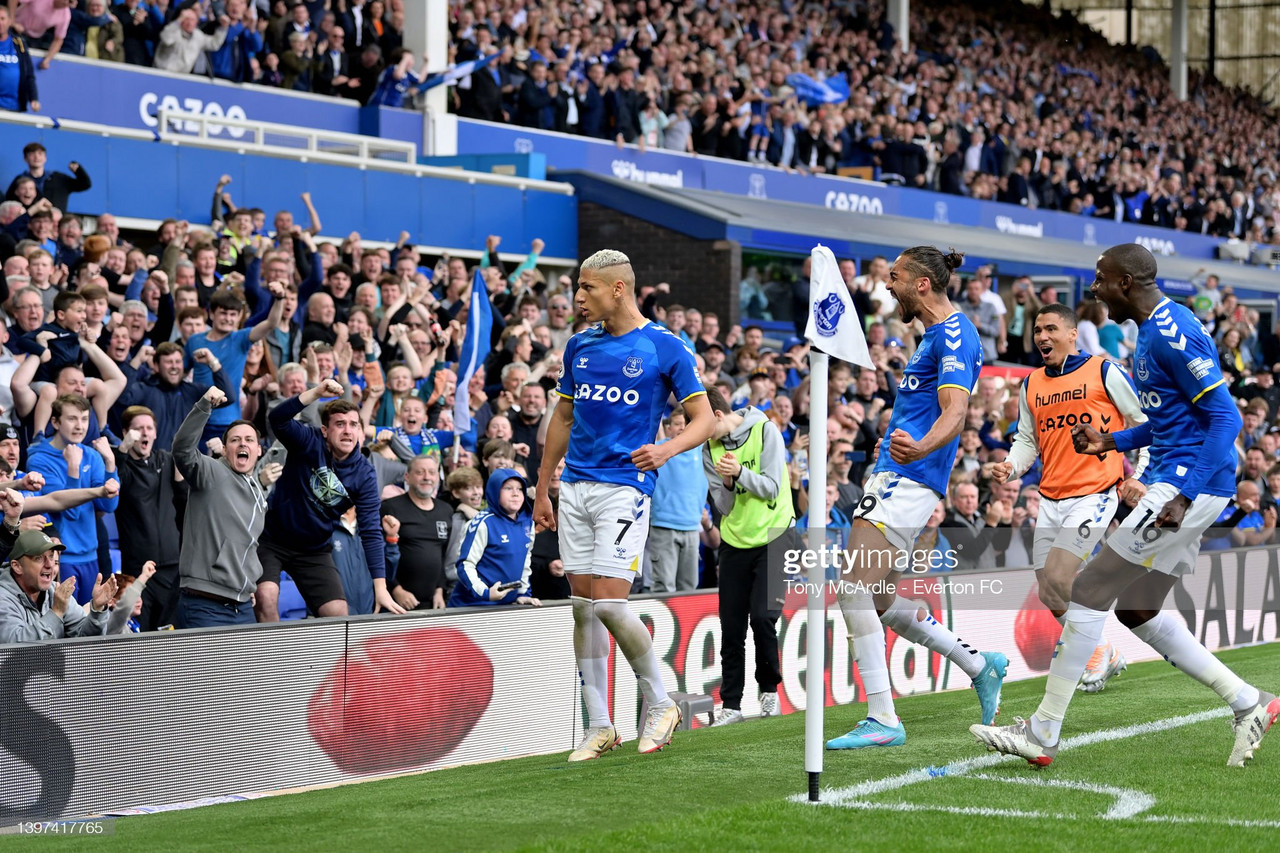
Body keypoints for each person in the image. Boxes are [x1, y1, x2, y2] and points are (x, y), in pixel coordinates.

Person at [971, 243, 1277, 769]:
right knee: (1138, 608)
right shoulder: (1152, 332)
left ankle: (1042, 734)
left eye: (1100, 279)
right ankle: (1249, 702)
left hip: (1185, 484)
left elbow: (1227, 420)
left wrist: (1182, 495)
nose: (1094, 289)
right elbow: (1171, 421)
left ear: (1126, 283)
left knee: (1088, 588)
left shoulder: (1170, 333)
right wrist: (1112, 443)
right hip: (1185, 479)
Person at [533, 249, 715, 761]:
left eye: (586, 288)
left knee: (611, 604)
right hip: (576, 487)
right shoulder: (577, 346)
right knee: (584, 609)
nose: (577, 297)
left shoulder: (664, 345)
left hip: (625, 487)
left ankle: (660, 702)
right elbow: (562, 420)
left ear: (618, 289)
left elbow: (701, 417)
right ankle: (600, 724)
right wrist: (544, 485)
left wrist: (666, 448)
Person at [827, 246, 1008, 751]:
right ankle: (979, 664)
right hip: (897, 476)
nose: (888, 285)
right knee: (881, 600)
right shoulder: (935, 334)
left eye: (896, 277)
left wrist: (920, 447)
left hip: (905, 478)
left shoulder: (954, 333)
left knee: (851, 588)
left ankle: (883, 717)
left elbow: (956, 411)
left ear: (922, 284)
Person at [991, 303, 1150, 692]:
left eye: (1050, 329)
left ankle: (1092, 655)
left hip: (1095, 491)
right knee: (1048, 589)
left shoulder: (1103, 370)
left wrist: (1142, 476)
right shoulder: (1031, 383)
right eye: (1037, 331)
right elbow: (1027, 440)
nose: (1042, 337)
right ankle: (1103, 649)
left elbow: (1144, 423)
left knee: (1061, 575)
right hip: (1051, 496)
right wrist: (1011, 467)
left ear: (1072, 333)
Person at [256, 378, 405, 620]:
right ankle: (275, 657)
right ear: (325, 431)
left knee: (337, 613)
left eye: (354, 425)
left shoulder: (365, 475)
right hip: (272, 540)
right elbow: (278, 419)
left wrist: (381, 587)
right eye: (340, 424)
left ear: (360, 432)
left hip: (314, 550)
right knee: (266, 595)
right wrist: (315, 393)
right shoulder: (309, 441)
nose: (348, 430)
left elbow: (370, 531)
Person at [703, 387, 792, 725]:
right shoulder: (708, 449)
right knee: (732, 625)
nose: (700, 432)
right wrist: (726, 483)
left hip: (774, 534)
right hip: (735, 540)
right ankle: (731, 705)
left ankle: (769, 692)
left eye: (701, 423)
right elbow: (723, 507)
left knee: (764, 617)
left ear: (718, 415)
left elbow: (772, 487)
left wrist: (740, 473)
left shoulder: (765, 429)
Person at [171, 385, 267, 628]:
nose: (242, 444)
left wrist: (244, 582)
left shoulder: (257, 490)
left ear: (258, 450)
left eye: (249, 440)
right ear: (225, 450)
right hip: (205, 605)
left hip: (242, 605)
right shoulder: (212, 471)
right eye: (235, 440)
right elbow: (182, 450)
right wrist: (204, 406)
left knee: (246, 668)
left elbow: (248, 544)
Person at [24, 394, 118, 605]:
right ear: (55, 422)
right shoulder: (39, 459)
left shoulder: (91, 455)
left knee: (91, 626)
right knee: (65, 627)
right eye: (72, 418)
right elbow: (70, 512)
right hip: (62, 559)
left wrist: (110, 464)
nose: (80, 426)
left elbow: (108, 505)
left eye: (84, 419)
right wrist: (73, 470)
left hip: (91, 556)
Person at [112, 405, 181, 630]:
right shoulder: (119, 464)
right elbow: (112, 487)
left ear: (155, 433)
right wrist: (122, 449)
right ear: (125, 433)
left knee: (171, 634)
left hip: (173, 565)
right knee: (142, 634)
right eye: (138, 428)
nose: (144, 432)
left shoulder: (166, 460)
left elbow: (187, 496)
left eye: (149, 428)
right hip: (139, 568)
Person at [0, 525, 117, 642]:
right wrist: (56, 612)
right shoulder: (3, 598)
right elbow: (15, 649)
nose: (50, 564)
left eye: (51, 557)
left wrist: (97, 610)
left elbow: (86, 640)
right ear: (17, 566)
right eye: (39, 558)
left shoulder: (54, 591)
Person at [448, 468, 539, 607]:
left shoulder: (528, 523)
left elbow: (525, 562)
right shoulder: (482, 522)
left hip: (506, 605)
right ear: (495, 491)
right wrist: (485, 592)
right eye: (508, 488)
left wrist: (522, 593)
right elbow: (465, 565)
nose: (515, 494)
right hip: (471, 605)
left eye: (520, 489)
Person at [382, 454, 452, 611]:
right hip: (396, 604)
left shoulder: (445, 510)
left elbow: (442, 555)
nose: (427, 477)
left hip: (433, 604)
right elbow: (378, 554)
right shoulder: (390, 508)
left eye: (432, 472)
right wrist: (395, 590)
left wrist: (440, 590)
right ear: (407, 477)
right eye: (420, 472)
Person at [647, 406, 706, 593]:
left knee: (689, 588)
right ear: (669, 427)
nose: (681, 427)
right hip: (664, 526)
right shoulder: (657, 450)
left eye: (685, 424)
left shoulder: (704, 452)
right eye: (677, 424)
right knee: (664, 587)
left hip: (691, 527)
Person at [0, 7, 39, 114]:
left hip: (15, 107)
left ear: (9, 21)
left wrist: (33, 98)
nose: (0, 22)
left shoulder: (19, 44)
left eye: (2, 19)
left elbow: (29, 74)